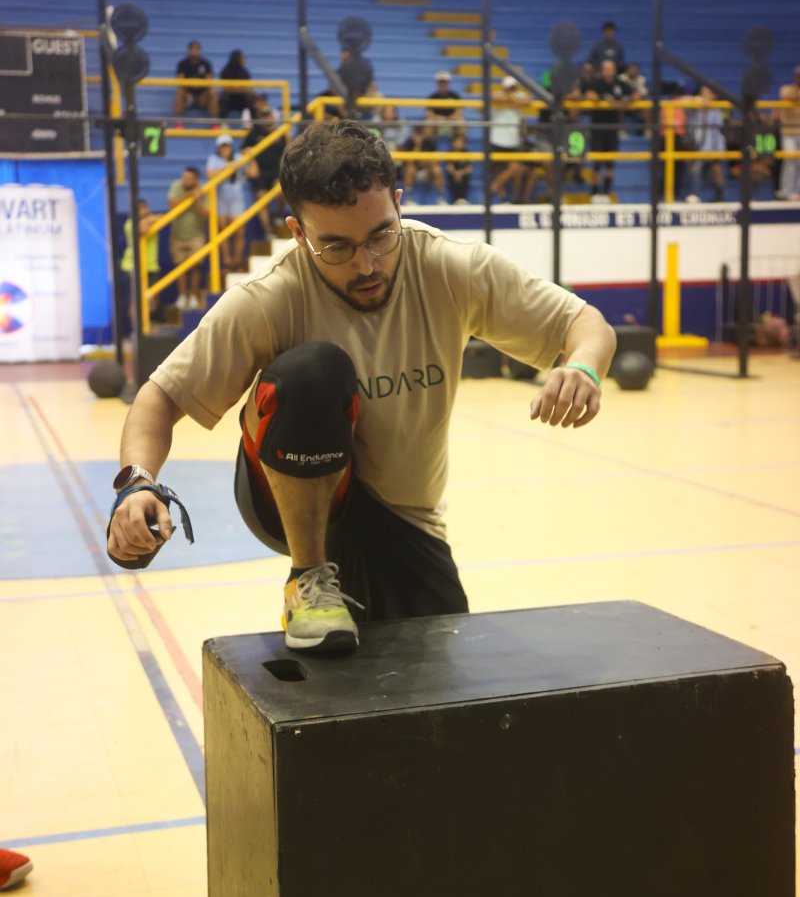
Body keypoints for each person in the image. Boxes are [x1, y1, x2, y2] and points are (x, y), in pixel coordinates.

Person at [106, 119, 616, 654]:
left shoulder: (448, 266)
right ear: (298, 233)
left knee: (445, 674)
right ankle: (307, 579)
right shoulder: (269, 297)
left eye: (380, 235)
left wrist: (582, 368)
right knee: (315, 370)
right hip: (287, 497)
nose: (367, 264)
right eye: (336, 247)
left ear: (398, 203)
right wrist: (137, 485)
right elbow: (159, 398)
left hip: (406, 515)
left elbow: (588, 325)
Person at [581, 59, 638, 198]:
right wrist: (603, 100)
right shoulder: (596, 83)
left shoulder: (620, 83)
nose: (608, 72)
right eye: (605, 69)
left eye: (610, 69)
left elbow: (637, 94)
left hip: (613, 127)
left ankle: (606, 192)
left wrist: (625, 101)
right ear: (602, 71)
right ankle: (594, 192)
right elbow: (589, 94)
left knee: (610, 163)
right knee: (596, 162)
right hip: (598, 127)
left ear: (614, 70)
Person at [241, 96, 287, 242]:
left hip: (275, 171)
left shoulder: (280, 134)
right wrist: (252, 161)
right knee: (261, 199)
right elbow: (244, 148)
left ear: (272, 117)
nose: (266, 118)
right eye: (263, 116)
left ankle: (278, 216)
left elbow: (286, 152)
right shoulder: (255, 132)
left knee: (282, 190)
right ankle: (268, 232)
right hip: (260, 173)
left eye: (268, 115)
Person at [167, 166, 207, 309]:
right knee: (180, 267)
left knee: (196, 267)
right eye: (184, 177)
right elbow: (171, 204)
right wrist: (189, 196)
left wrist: (198, 200)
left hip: (196, 235)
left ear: (196, 180)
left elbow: (207, 215)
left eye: (189, 178)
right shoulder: (176, 186)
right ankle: (183, 296)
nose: (185, 180)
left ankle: (194, 296)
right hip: (177, 234)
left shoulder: (204, 190)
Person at [206, 133, 249, 269]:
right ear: (218, 148)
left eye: (227, 146)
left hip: (237, 199)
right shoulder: (214, 159)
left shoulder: (238, 158)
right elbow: (210, 175)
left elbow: (252, 172)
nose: (225, 149)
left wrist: (251, 157)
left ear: (231, 147)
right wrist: (227, 167)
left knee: (239, 231)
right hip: (221, 199)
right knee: (223, 230)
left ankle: (237, 260)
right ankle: (227, 261)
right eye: (222, 146)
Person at [121, 198, 161, 329]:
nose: (145, 210)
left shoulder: (151, 220)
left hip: (151, 266)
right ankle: (138, 329)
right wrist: (149, 221)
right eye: (141, 208)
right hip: (133, 267)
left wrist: (149, 220)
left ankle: (146, 324)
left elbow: (162, 217)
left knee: (153, 300)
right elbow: (142, 229)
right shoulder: (129, 224)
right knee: (136, 300)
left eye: (146, 207)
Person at [489, 77, 530, 203]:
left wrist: (510, 99)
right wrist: (513, 100)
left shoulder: (518, 96)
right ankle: (501, 198)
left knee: (515, 168)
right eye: (509, 88)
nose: (512, 90)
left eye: (514, 88)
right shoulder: (498, 94)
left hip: (512, 140)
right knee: (498, 170)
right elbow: (494, 97)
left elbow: (528, 100)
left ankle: (494, 187)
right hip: (497, 139)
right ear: (504, 87)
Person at [686, 86, 726, 202]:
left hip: (713, 145)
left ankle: (720, 196)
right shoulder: (694, 108)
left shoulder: (717, 110)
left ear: (713, 96)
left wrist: (719, 149)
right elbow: (684, 103)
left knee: (716, 168)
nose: (705, 96)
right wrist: (696, 101)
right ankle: (695, 194)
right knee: (695, 168)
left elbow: (718, 130)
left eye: (708, 93)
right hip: (698, 146)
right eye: (703, 93)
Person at [399, 123, 446, 204]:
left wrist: (424, 160)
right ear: (413, 134)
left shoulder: (429, 142)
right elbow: (406, 162)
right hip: (414, 172)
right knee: (410, 169)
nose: (418, 137)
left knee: (437, 170)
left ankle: (441, 199)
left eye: (420, 134)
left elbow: (435, 161)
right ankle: (408, 199)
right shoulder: (409, 143)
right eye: (416, 134)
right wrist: (417, 148)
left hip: (428, 171)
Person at [174, 40, 218, 119]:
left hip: (202, 96)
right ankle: (178, 121)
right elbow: (180, 81)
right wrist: (193, 84)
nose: (194, 51)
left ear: (200, 50)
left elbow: (209, 81)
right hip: (188, 96)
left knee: (212, 91)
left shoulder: (206, 64)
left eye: (197, 49)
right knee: (179, 92)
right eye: (193, 49)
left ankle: (214, 121)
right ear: (188, 51)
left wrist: (198, 84)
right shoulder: (183, 64)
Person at [776, 65, 800, 200]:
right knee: (790, 160)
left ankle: (797, 192)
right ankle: (786, 191)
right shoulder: (786, 89)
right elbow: (785, 96)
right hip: (788, 131)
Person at [337, 47, 376, 118]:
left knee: (378, 96)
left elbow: (372, 85)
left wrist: (368, 94)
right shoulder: (340, 72)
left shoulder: (363, 69)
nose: (344, 59)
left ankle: (374, 119)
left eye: (347, 58)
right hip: (345, 97)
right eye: (343, 58)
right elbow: (333, 89)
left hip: (362, 96)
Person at [426, 71, 464, 142]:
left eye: (445, 82)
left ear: (448, 83)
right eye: (441, 82)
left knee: (460, 122)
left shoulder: (455, 96)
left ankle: (460, 146)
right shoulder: (432, 97)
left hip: (451, 121)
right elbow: (429, 113)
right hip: (437, 122)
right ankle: (429, 146)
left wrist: (448, 119)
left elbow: (459, 112)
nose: (443, 85)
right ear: (437, 84)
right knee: (429, 123)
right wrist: (438, 118)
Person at [218, 50, 255, 119]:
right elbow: (225, 88)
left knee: (251, 97)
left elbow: (248, 88)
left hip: (241, 99)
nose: (245, 60)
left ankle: (255, 122)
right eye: (243, 58)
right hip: (230, 99)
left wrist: (237, 89)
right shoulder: (226, 71)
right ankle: (221, 122)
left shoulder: (244, 72)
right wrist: (239, 89)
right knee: (224, 98)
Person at [445, 133, 472, 204]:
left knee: (464, 177)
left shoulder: (465, 152)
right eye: (456, 141)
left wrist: (461, 173)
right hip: (453, 176)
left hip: (463, 175)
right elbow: (449, 167)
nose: (458, 144)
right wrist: (456, 173)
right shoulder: (450, 152)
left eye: (460, 142)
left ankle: (463, 199)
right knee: (454, 178)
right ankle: (455, 200)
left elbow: (469, 168)